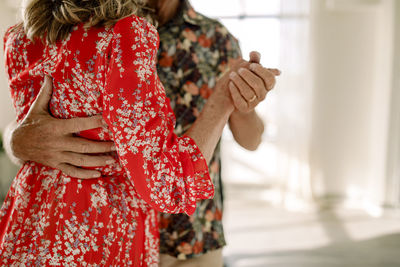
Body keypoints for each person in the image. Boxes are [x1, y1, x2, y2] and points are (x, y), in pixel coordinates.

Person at [2, 0, 280, 266]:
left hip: (188, 234)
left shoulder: (218, 38)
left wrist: (241, 101)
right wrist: (16, 141)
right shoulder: (117, 26)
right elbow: (28, 125)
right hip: (116, 230)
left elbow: (251, 139)